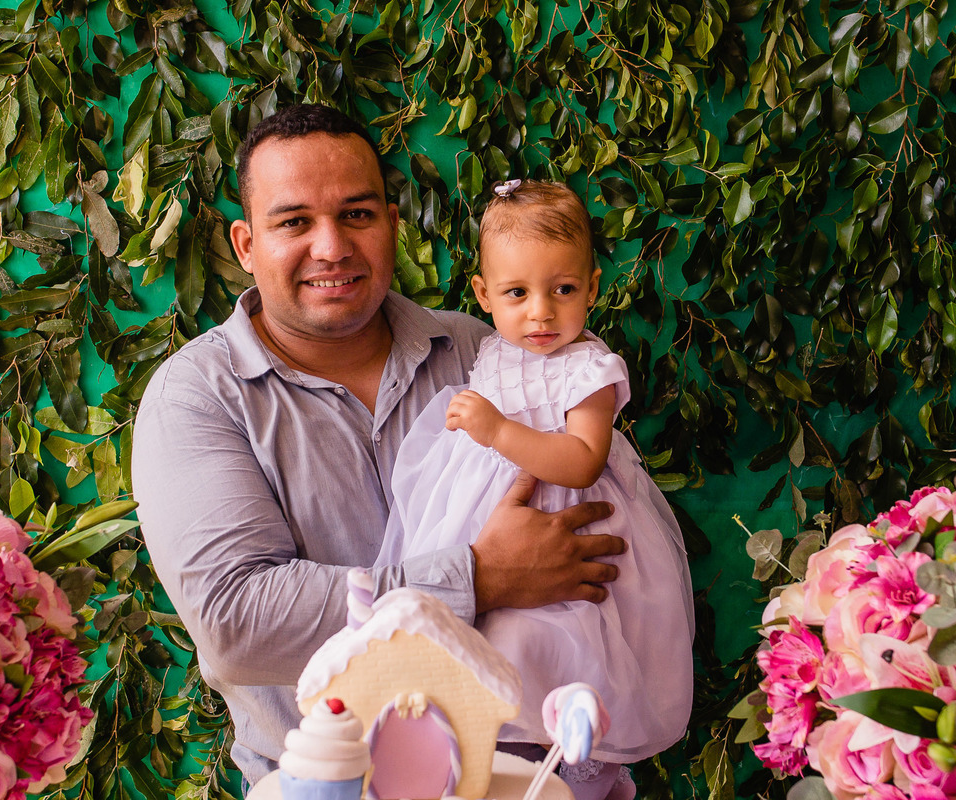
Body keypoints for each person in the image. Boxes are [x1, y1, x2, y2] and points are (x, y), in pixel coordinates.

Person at [131, 104, 627, 787]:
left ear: (394, 224)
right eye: (294, 221)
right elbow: (238, 620)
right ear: (246, 245)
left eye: (357, 214)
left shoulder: (488, 354)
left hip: (522, 777)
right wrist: (478, 577)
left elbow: (588, 535)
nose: (331, 246)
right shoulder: (196, 397)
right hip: (325, 785)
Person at [376, 180, 694, 800]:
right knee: (485, 647)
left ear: (593, 287)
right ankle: (492, 764)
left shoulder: (590, 370)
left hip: (569, 520)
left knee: (561, 645)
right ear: (483, 294)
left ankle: (578, 771)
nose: (541, 313)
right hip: (487, 525)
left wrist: (495, 431)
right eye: (517, 293)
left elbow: (578, 461)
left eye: (563, 290)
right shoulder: (493, 351)